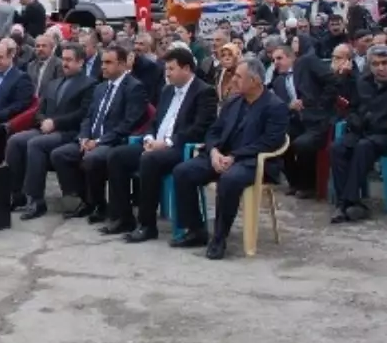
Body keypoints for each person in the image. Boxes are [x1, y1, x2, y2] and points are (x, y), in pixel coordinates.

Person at [169, 57, 288, 260]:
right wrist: (214, 151)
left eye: (239, 77)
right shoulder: (234, 102)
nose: (233, 81)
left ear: (256, 81)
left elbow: (270, 142)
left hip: (253, 161)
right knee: (183, 171)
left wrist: (234, 156)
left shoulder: (275, 106)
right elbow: (214, 131)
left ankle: (220, 238)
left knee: (229, 180)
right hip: (223, 155)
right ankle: (196, 230)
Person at [108, 46, 218, 241]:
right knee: (117, 156)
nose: (167, 73)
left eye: (171, 69)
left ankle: (147, 224)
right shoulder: (167, 91)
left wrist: (166, 142)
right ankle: (124, 217)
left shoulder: (204, 92)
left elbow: (199, 129)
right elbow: (155, 121)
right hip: (156, 144)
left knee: (150, 161)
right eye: (166, 69)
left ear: (186, 69)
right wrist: (150, 138)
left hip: (180, 148)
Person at [49, 46, 147, 223]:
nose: (103, 66)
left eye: (109, 62)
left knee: (92, 158)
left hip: (114, 142)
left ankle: (99, 205)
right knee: (60, 154)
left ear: (123, 64)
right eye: (102, 62)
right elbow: (88, 116)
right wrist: (84, 137)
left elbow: (128, 123)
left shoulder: (134, 87)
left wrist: (99, 141)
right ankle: (82, 200)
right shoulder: (100, 87)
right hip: (91, 139)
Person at [329, 44, 387, 223]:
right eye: (375, 63)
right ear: (369, 65)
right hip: (362, 130)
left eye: (385, 62)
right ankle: (352, 203)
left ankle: (344, 203)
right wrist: (354, 119)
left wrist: (382, 123)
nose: (380, 67)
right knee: (337, 147)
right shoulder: (363, 81)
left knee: (364, 147)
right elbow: (353, 108)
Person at [8, 43, 96, 220]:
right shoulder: (54, 83)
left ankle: (36, 200)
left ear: (80, 62)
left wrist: (55, 123)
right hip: (46, 129)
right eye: (63, 59)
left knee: (36, 144)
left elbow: (83, 113)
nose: (65, 63)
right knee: (16, 140)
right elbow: (40, 109)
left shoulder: (89, 84)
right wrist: (43, 121)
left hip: (69, 132)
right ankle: (16, 194)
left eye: (70, 60)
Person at [273, 44, 335, 199]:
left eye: (280, 58)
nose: (276, 62)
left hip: (317, 119)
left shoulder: (307, 64)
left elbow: (331, 81)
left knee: (303, 143)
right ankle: (295, 182)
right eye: (273, 59)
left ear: (291, 57)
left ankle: (309, 185)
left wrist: (319, 103)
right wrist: (290, 106)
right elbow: (280, 107)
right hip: (296, 120)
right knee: (278, 139)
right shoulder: (278, 82)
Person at [26, 33, 63, 98]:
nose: (40, 49)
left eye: (44, 46)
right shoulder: (31, 65)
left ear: (52, 48)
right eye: (38, 46)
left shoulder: (59, 64)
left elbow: (58, 89)